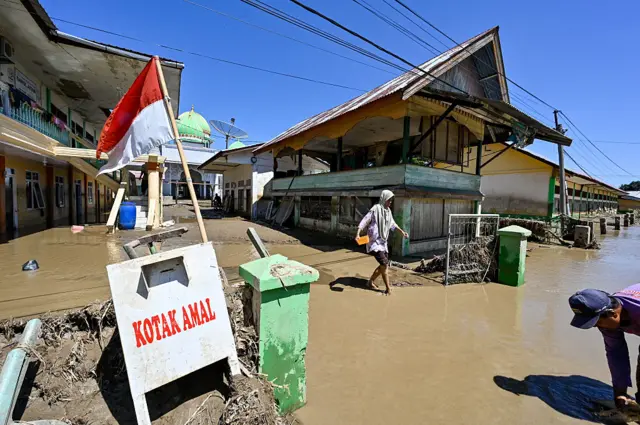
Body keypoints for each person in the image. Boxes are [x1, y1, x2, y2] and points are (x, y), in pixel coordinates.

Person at [569, 285, 640, 408]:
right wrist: (620, 393)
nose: (596, 327)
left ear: (613, 314)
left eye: (597, 322)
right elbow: (616, 353)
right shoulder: (607, 319)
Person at [355, 190, 408, 295]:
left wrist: (402, 232)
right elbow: (365, 220)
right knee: (384, 264)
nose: (390, 202)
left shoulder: (388, 212)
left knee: (384, 264)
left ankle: (370, 282)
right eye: (389, 200)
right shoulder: (375, 209)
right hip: (374, 242)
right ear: (384, 199)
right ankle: (388, 288)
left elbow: (393, 224)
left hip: (383, 242)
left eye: (391, 201)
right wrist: (358, 234)